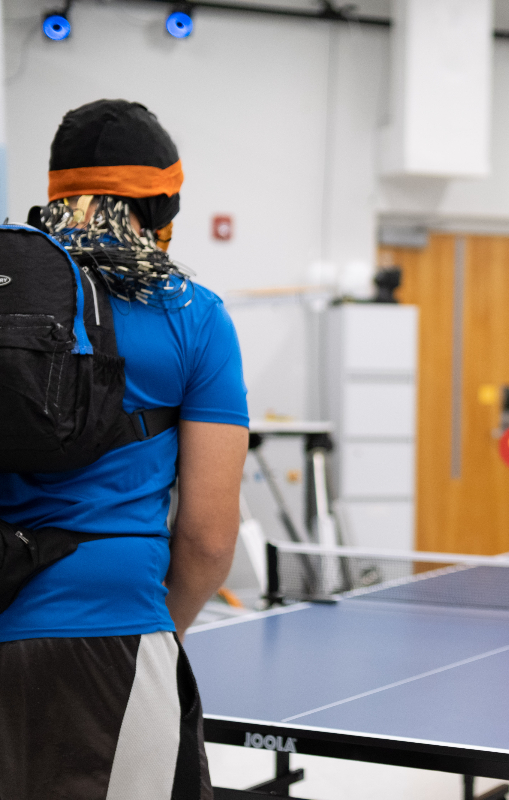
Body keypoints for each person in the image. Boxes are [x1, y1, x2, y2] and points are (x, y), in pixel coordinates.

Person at [0, 100, 250, 800]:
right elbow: (207, 539)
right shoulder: (192, 315)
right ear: (163, 202)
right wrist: (152, 627)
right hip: (109, 624)